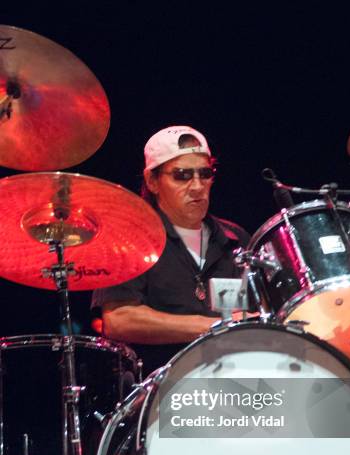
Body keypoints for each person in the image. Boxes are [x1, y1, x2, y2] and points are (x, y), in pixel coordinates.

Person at [92, 125, 250, 375]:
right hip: (162, 389)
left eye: (205, 173)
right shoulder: (130, 238)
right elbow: (119, 320)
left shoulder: (235, 238)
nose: (198, 186)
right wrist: (214, 326)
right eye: (182, 175)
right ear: (152, 181)